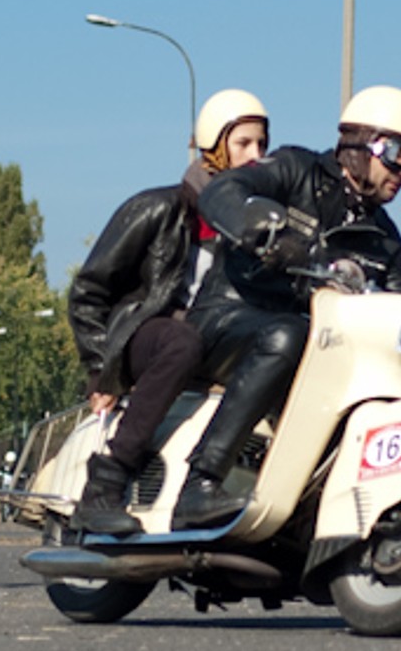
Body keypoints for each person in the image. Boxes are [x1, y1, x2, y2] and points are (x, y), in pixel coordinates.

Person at [174, 85, 401, 530]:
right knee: (288, 336)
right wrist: (260, 232)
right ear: (361, 145)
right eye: (399, 154)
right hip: (228, 315)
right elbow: (224, 189)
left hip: (311, 344)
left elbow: (399, 307)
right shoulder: (295, 169)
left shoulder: (384, 238)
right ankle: (199, 483)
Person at [65, 88, 271, 534]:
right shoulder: (157, 209)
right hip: (146, 338)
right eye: (243, 143)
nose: (256, 155)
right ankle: (105, 484)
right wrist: (102, 370)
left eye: (262, 144)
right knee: (182, 340)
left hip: (211, 342)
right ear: (213, 148)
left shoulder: (258, 228)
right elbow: (89, 290)